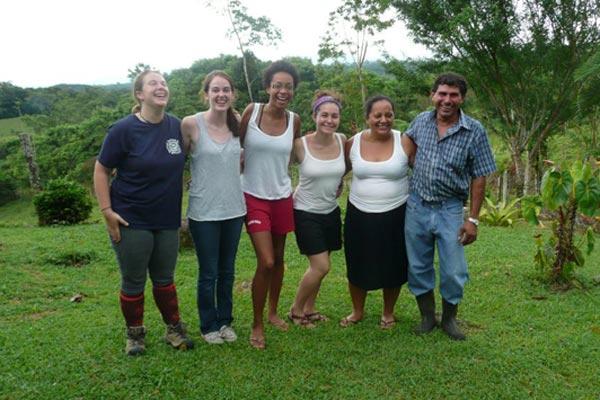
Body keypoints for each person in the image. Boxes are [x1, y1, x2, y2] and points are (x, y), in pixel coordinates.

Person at [93, 70, 194, 355]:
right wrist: (106, 211)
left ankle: (173, 329)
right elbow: (101, 170)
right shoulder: (123, 130)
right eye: (153, 83)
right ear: (140, 94)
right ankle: (134, 334)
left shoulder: (175, 127)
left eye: (163, 83)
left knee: (165, 278)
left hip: (166, 219)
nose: (161, 87)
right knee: (134, 279)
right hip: (130, 218)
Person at [404, 72, 496, 340]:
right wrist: (411, 162)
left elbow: (480, 175)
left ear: (462, 98)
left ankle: (449, 319)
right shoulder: (421, 121)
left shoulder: (474, 130)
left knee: (453, 270)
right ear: (433, 95)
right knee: (418, 265)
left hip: (450, 209)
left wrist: (474, 219)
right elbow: (407, 140)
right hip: (417, 206)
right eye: (442, 94)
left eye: (453, 95)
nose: (447, 100)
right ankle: (426, 317)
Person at [240, 60, 301, 349]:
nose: (282, 91)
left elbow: (293, 156)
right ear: (267, 87)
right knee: (265, 261)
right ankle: (257, 322)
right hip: (253, 195)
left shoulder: (295, 120)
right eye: (277, 85)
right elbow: (236, 145)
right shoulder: (252, 112)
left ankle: (274, 311)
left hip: (281, 195)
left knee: (279, 258)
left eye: (288, 86)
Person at [181, 71, 246, 345]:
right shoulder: (190, 124)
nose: (221, 95)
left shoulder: (239, 123)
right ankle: (208, 325)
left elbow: (242, 161)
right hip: (203, 212)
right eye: (215, 90)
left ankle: (225, 321)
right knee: (208, 272)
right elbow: (176, 164)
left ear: (232, 94)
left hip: (234, 209)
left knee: (227, 271)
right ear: (206, 93)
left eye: (226, 90)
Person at [341, 95, 413, 330]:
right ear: (367, 118)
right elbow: (337, 170)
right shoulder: (352, 143)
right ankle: (357, 311)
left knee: (393, 264)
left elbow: (423, 171)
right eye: (378, 115)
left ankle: (388, 312)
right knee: (357, 261)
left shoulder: (404, 141)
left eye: (389, 114)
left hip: (396, 213)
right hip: (359, 214)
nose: (384, 120)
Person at [288, 90, 347, 328]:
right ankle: (296, 310)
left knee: (320, 268)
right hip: (305, 211)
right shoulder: (299, 145)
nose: (329, 120)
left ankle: (310, 308)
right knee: (321, 266)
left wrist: (341, 181)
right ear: (315, 116)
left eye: (334, 116)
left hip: (330, 211)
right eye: (324, 115)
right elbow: (276, 165)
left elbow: (347, 166)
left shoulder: (342, 140)